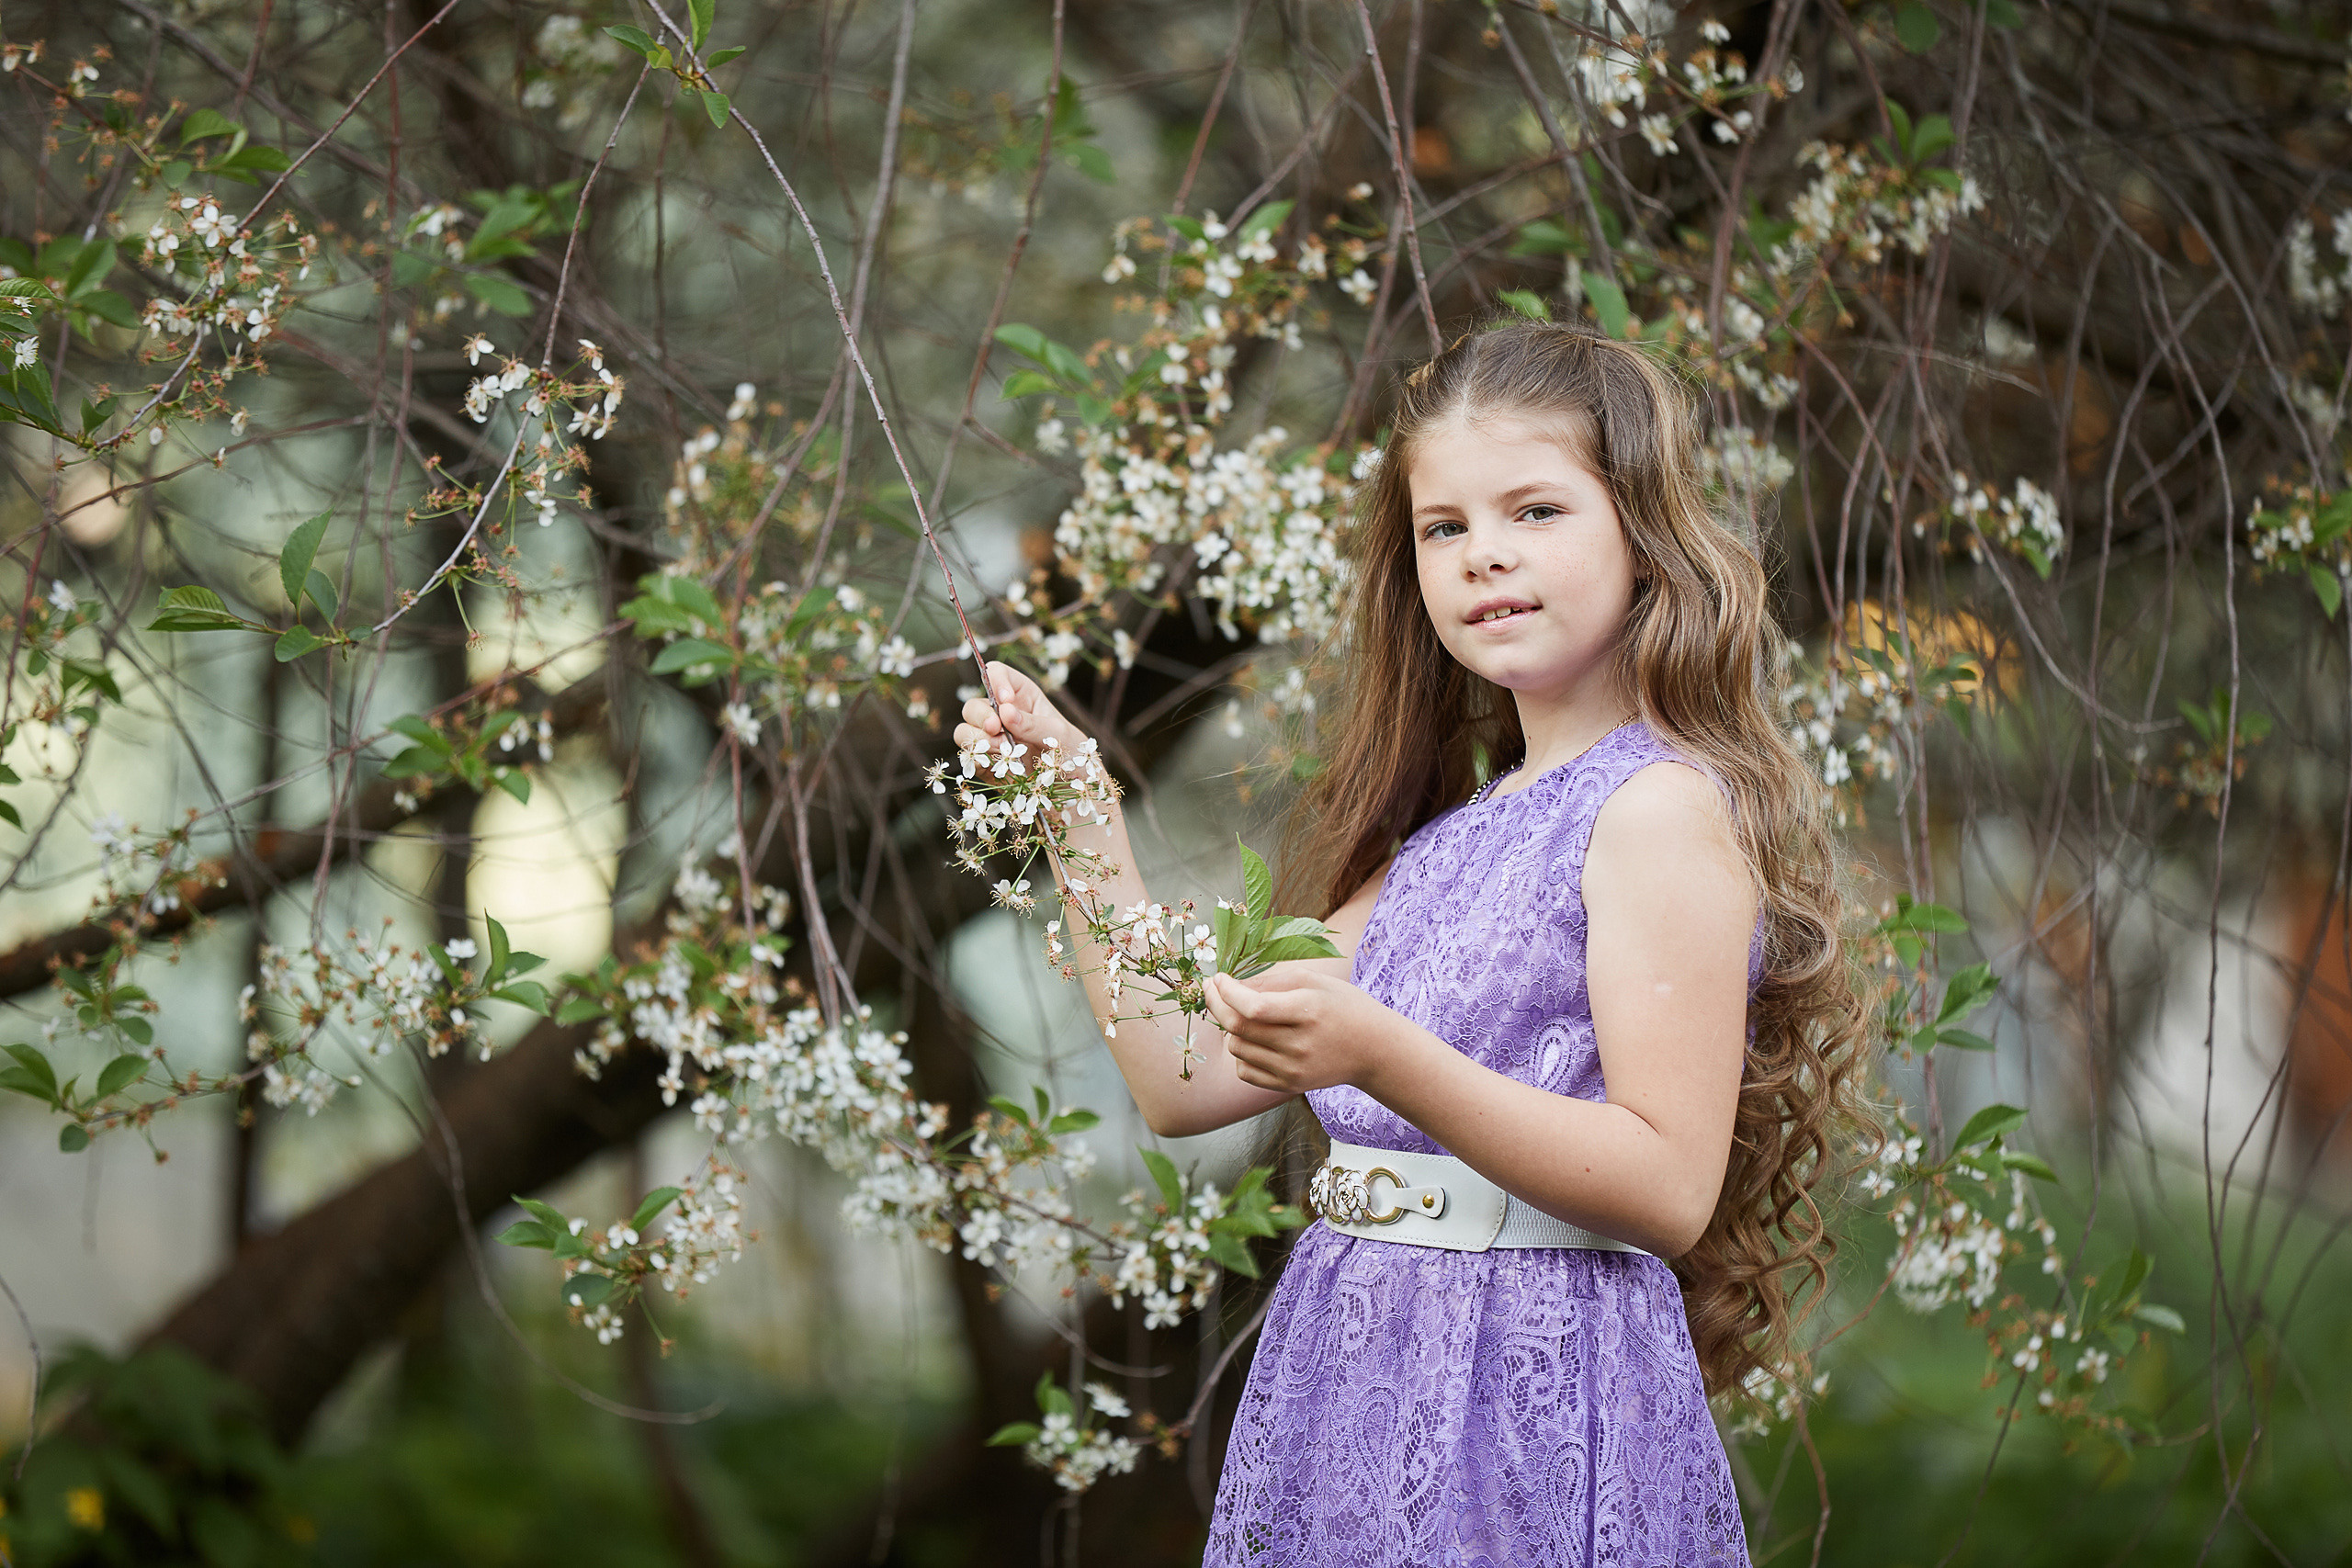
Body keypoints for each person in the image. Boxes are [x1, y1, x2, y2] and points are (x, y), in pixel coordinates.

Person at [953, 319, 1871, 1565]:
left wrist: (1384, 1057)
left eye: (1537, 510)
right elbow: (1184, 1078)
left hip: (1533, 1395)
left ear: (1644, 532)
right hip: (1354, 1384)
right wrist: (1078, 813)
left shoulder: (1656, 809)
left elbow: (1665, 1185)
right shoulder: (1441, 848)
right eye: (1446, 528)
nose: (1486, 555)